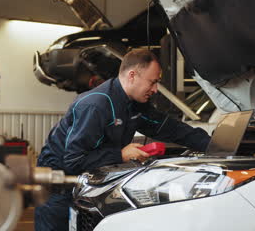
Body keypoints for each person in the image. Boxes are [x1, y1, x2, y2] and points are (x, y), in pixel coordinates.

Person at [34, 49, 210, 231]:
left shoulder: (134, 105)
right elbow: (73, 160)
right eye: (153, 82)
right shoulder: (96, 105)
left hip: (83, 186)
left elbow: (171, 128)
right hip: (58, 190)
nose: (156, 89)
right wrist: (120, 154)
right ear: (132, 75)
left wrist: (214, 144)